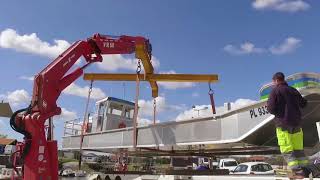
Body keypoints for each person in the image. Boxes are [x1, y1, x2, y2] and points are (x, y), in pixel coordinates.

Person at [267, 72, 308, 177]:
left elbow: (270, 108)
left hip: (283, 124)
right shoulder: (293, 90)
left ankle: (298, 172)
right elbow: (303, 104)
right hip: (297, 124)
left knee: (287, 149)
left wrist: (280, 113)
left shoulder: (275, 91)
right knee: (298, 149)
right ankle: (306, 170)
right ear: (283, 79)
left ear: (275, 80)